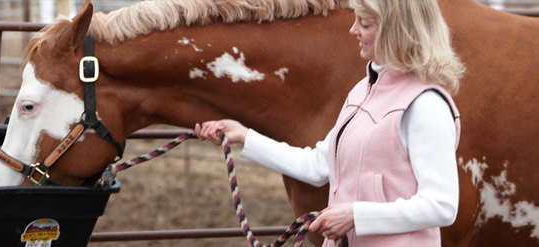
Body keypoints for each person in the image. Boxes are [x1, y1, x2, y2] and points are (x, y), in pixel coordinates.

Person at [194, 0, 465, 246]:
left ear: (396, 30)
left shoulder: (426, 105)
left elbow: (441, 205)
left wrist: (355, 215)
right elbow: (316, 165)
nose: (353, 31)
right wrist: (244, 136)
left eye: (365, 23)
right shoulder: (362, 91)